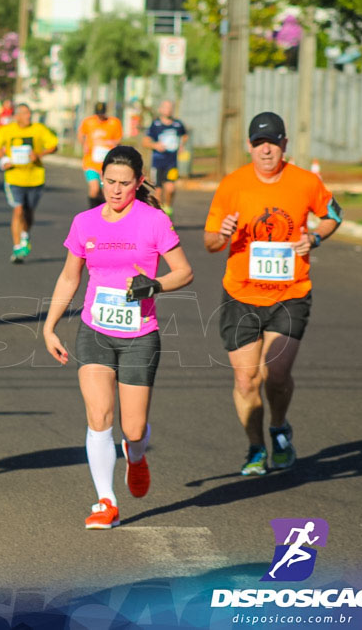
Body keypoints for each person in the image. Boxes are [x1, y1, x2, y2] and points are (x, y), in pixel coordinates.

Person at [43, 146, 193, 529]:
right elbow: (69, 277)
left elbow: (184, 273)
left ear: (139, 183)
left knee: (133, 428)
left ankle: (136, 454)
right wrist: (49, 325)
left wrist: (154, 284)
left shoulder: (154, 221)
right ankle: (105, 501)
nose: (115, 190)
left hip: (140, 335)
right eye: (109, 181)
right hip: (95, 331)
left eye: (125, 184)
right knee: (98, 417)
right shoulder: (85, 222)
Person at [203, 111, 342, 476]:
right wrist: (224, 233)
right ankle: (254, 447)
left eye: (273, 142)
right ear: (249, 146)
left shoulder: (305, 181)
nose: (266, 150)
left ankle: (279, 428)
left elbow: (334, 215)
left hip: (290, 293)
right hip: (241, 294)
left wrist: (314, 237)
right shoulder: (233, 184)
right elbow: (210, 241)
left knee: (275, 374)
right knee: (246, 379)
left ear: (284, 144)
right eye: (258, 143)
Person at [0, 104, 59, 263]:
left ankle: (25, 235)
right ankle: (17, 247)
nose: (28, 116)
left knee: (28, 212)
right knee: (18, 209)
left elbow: (54, 146)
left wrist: (39, 154)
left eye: (29, 113)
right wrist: (4, 158)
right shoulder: (7, 130)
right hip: (14, 177)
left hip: (35, 177)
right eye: (24, 113)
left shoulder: (39, 129)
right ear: (16, 116)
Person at [142, 100, 188, 215]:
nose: (168, 110)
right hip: (158, 163)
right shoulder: (155, 125)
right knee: (157, 191)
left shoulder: (178, 124)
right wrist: (155, 145)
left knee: (170, 189)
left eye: (170, 107)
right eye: (166, 107)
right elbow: (145, 142)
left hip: (171, 162)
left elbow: (184, 135)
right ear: (160, 110)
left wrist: (181, 145)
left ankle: (168, 208)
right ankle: (158, 214)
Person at [78, 102, 123, 209]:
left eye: (102, 114)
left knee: (106, 192)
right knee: (94, 189)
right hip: (91, 162)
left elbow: (118, 139)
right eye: (98, 114)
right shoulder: (88, 122)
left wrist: (111, 144)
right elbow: (81, 135)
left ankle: (103, 212)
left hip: (108, 164)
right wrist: (84, 144)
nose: (100, 117)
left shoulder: (114, 122)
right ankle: (92, 212)